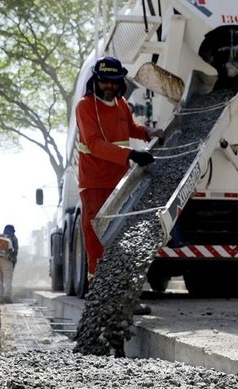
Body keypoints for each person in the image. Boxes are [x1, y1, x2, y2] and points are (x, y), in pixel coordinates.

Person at [76, 56, 164, 283]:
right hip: (95, 183)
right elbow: (94, 144)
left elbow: (131, 128)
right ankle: (98, 290)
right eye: (105, 81)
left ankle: (120, 288)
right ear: (96, 80)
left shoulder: (121, 105)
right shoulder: (85, 107)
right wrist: (132, 155)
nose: (109, 86)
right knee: (95, 235)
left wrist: (149, 133)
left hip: (120, 183)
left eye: (114, 82)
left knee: (120, 237)